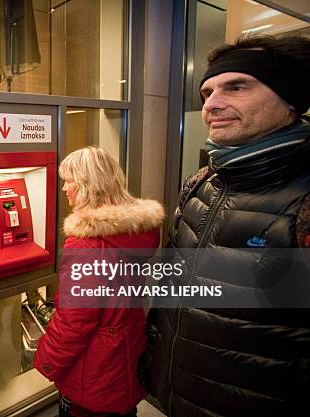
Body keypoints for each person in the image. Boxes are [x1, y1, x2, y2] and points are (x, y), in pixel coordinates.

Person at [142, 35, 310, 416]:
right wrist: (152, 358)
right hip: (177, 396)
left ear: (290, 100)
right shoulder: (202, 182)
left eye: (237, 87)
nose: (211, 104)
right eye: (207, 91)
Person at [34, 146, 164, 417]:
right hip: (124, 361)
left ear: (85, 185)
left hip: (93, 373)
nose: (64, 189)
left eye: (67, 182)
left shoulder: (87, 243)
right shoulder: (134, 230)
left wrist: (46, 360)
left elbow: (75, 322)